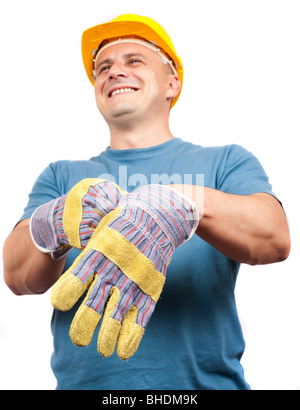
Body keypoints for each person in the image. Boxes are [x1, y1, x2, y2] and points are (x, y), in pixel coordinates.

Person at [3, 14, 290, 390]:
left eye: (133, 60)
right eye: (103, 67)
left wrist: (184, 203)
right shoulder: (61, 176)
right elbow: (15, 276)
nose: (114, 71)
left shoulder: (225, 162)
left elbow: (274, 238)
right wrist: (51, 222)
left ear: (173, 83)